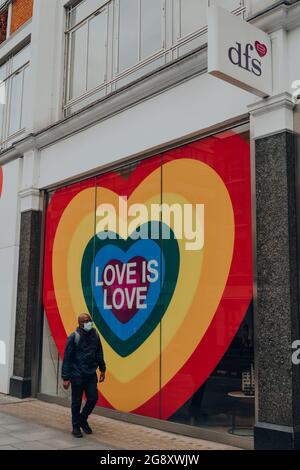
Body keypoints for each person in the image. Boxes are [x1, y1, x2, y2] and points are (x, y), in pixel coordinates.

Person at [62, 313, 106, 438]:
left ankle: (82, 419)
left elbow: (99, 352)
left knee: (93, 398)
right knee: (76, 402)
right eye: (86, 321)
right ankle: (76, 426)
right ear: (80, 323)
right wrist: (66, 378)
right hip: (77, 375)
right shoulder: (74, 337)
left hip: (91, 374)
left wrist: (102, 369)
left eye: (90, 320)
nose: (89, 322)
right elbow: (67, 359)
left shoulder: (95, 335)